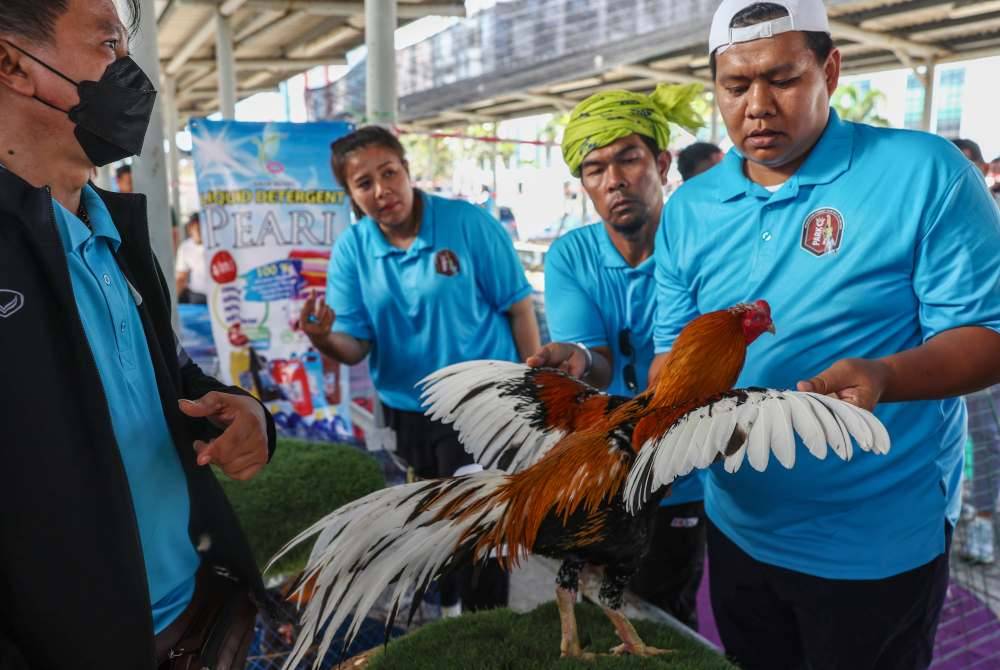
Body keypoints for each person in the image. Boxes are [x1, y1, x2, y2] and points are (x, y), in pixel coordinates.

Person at [651, 2, 1000, 669]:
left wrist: (889, 376)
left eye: (782, 79)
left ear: (830, 70)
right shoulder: (690, 210)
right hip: (737, 525)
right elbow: (671, 351)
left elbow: (987, 334)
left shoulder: (923, 172)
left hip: (875, 541)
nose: (757, 105)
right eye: (735, 85)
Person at [0, 1, 277, 668]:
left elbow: (171, 378)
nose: (132, 75)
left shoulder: (119, 235)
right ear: (11, 64)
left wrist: (241, 412)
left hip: (200, 618)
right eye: (108, 46)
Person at [300, 125, 540, 616]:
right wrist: (322, 337)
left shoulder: (468, 224)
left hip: (483, 407)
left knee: (485, 531)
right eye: (363, 183)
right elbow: (356, 345)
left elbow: (518, 308)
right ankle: (449, 614)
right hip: (409, 412)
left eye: (389, 173)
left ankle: (486, 630)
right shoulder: (353, 249)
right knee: (433, 525)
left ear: (408, 171)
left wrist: (533, 391)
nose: (381, 190)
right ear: (350, 194)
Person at [527, 83, 707, 629]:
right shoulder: (571, 256)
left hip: (687, 467)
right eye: (594, 168)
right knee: (605, 605)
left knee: (667, 609)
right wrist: (577, 361)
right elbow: (597, 359)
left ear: (661, 162)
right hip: (607, 468)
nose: (614, 180)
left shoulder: (702, 243)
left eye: (628, 158)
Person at [175, 212, 208, 304]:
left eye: (202, 228)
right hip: (197, 296)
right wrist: (173, 302)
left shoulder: (218, 246)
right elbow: (181, 278)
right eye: (197, 229)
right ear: (190, 229)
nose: (200, 232)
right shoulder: (185, 247)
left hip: (220, 295)